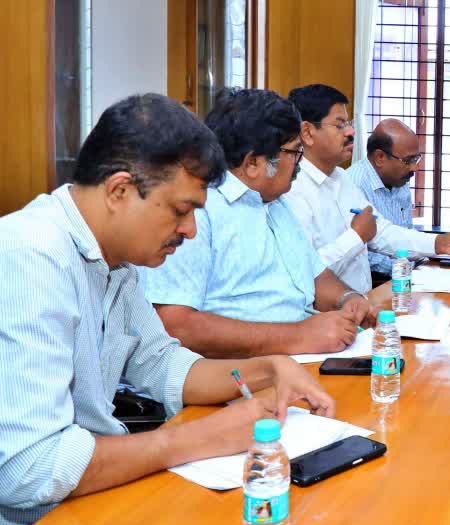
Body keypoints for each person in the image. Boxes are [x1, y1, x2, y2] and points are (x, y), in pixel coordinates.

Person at [0, 94, 334, 525]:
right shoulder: (30, 257)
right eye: (181, 211)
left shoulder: (115, 260)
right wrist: (199, 438)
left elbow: (162, 365)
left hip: (94, 501)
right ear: (119, 190)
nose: (191, 230)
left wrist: (269, 368)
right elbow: (30, 468)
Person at [142, 88, 377, 359]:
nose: (299, 165)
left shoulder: (277, 203)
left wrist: (347, 299)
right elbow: (177, 325)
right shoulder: (197, 212)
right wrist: (299, 335)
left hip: (302, 357)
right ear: (253, 162)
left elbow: (315, 276)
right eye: (294, 153)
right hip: (239, 378)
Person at [281, 85, 450, 295]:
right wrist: (356, 236)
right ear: (307, 133)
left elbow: (381, 232)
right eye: (340, 125)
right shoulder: (292, 190)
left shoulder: (341, 178)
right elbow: (305, 272)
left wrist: (440, 243)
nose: (351, 132)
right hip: (325, 317)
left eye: (349, 123)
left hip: (361, 305)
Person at [346, 119, 420, 281]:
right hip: (371, 280)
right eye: (408, 161)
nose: (414, 168)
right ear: (380, 157)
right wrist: (405, 267)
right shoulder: (353, 184)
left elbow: (406, 233)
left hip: (403, 273)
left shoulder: (400, 180)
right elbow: (358, 252)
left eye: (417, 159)